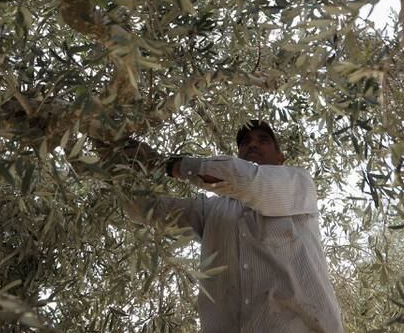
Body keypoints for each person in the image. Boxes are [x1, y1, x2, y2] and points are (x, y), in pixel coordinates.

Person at [125, 120, 344, 333]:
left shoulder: (299, 184)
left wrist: (167, 164)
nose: (252, 144)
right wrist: (111, 165)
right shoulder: (210, 211)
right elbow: (144, 209)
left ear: (280, 157)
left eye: (263, 140)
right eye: (245, 141)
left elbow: (245, 180)